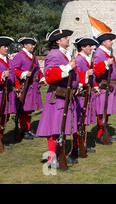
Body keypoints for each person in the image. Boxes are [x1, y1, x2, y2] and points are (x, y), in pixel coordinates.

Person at [36, 29, 79, 169]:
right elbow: (49, 75)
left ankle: (61, 155)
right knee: (55, 129)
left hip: (66, 95)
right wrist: (67, 67)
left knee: (63, 128)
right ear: (58, 41)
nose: (68, 39)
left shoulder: (64, 54)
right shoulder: (54, 54)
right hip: (58, 96)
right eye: (65, 38)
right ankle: (52, 158)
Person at [12, 37, 46, 140]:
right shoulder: (19, 56)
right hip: (25, 85)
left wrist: (42, 78)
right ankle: (23, 130)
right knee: (23, 110)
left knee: (29, 109)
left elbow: (38, 70)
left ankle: (28, 128)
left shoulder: (33, 56)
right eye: (31, 44)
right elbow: (14, 70)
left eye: (33, 44)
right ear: (25, 45)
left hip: (33, 86)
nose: (33, 46)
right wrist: (24, 74)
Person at [73, 37, 100, 156]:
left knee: (84, 122)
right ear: (82, 47)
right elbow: (75, 77)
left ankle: (83, 144)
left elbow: (91, 78)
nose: (91, 48)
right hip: (80, 95)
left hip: (87, 93)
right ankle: (77, 145)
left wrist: (95, 87)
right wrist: (86, 74)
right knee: (79, 121)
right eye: (88, 46)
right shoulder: (78, 60)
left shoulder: (86, 59)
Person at [93, 32, 116, 144]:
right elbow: (96, 70)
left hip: (110, 86)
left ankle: (105, 132)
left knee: (107, 112)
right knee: (102, 112)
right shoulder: (99, 53)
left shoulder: (108, 52)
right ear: (104, 42)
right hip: (104, 86)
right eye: (110, 40)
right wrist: (105, 63)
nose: (112, 42)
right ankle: (100, 134)